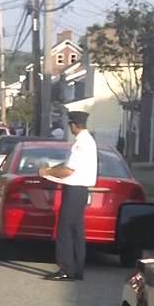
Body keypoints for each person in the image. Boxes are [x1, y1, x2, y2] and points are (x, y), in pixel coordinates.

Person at [38, 110, 97, 281]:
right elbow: (67, 165)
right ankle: (77, 269)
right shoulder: (89, 140)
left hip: (74, 189)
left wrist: (46, 171)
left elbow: (67, 170)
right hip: (81, 190)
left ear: (73, 125)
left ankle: (65, 269)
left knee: (65, 230)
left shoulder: (80, 144)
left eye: (70, 124)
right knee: (77, 231)